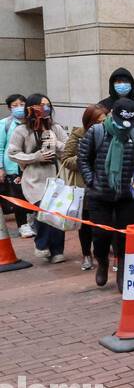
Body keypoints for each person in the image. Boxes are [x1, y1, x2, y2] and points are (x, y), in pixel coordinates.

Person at [77, 99, 134, 289]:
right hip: (100, 195)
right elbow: (83, 159)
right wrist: (92, 181)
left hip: (127, 196)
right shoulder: (97, 132)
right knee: (100, 234)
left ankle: (122, 267)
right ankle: (102, 262)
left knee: (125, 236)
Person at [8, 94, 67, 262]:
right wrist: (35, 157)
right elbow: (12, 153)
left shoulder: (55, 128)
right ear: (31, 108)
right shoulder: (21, 130)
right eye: (41, 105)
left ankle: (57, 250)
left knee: (56, 214)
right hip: (34, 180)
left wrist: (57, 144)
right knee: (42, 212)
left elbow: (69, 149)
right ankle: (41, 244)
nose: (45, 108)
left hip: (55, 177)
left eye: (47, 105)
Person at [60, 105, 106, 270]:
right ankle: (87, 254)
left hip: (105, 185)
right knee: (85, 224)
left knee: (105, 223)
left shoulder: (111, 134)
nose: (101, 125)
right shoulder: (78, 135)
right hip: (84, 187)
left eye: (105, 121)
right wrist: (84, 158)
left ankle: (108, 255)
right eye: (98, 122)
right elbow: (66, 159)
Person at [0, 94, 32, 238]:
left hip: (31, 165)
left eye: (22, 104)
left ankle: (33, 222)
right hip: (14, 167)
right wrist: (1, 168)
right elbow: (0, 147)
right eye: (15, 105)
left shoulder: (32, 122)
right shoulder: (5, 124)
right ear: (9, 108)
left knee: (33, 195)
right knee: (19, 197)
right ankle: (22, 226)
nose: (19, 108)